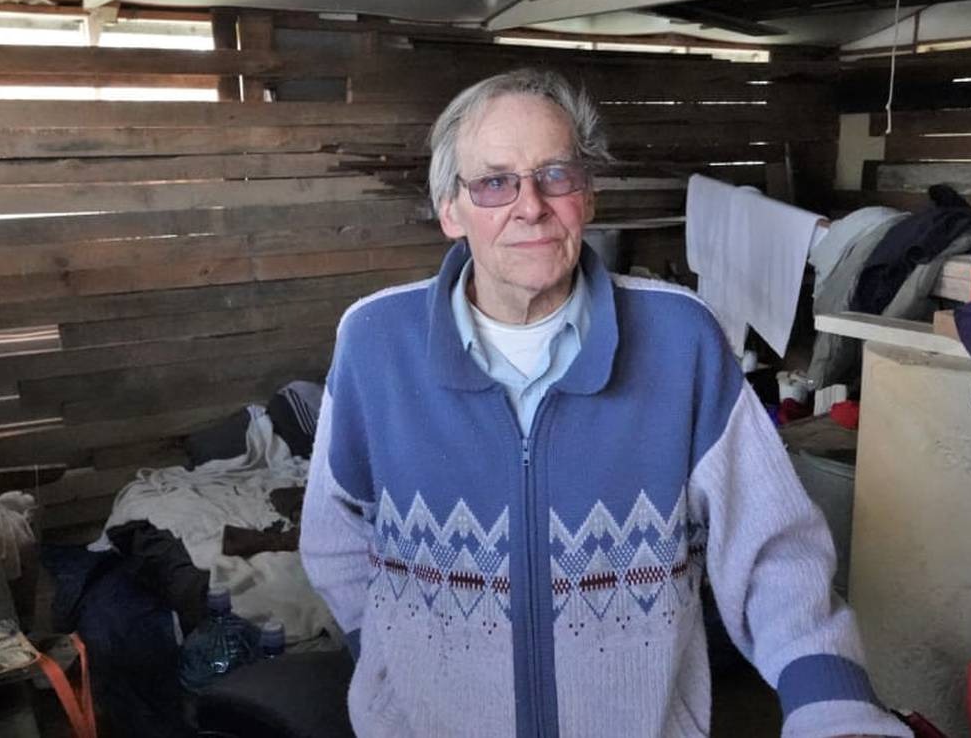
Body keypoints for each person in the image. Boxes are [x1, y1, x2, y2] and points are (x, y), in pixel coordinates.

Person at [299, 69, 909, 738]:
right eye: (495, 182)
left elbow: (775, 552)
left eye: (555, 175)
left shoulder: (680, 339)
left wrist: (833, 705)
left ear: (586, 197)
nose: (530, 205)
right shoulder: (375, 342)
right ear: (452, 211)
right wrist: (394, 669)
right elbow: (336, 536)